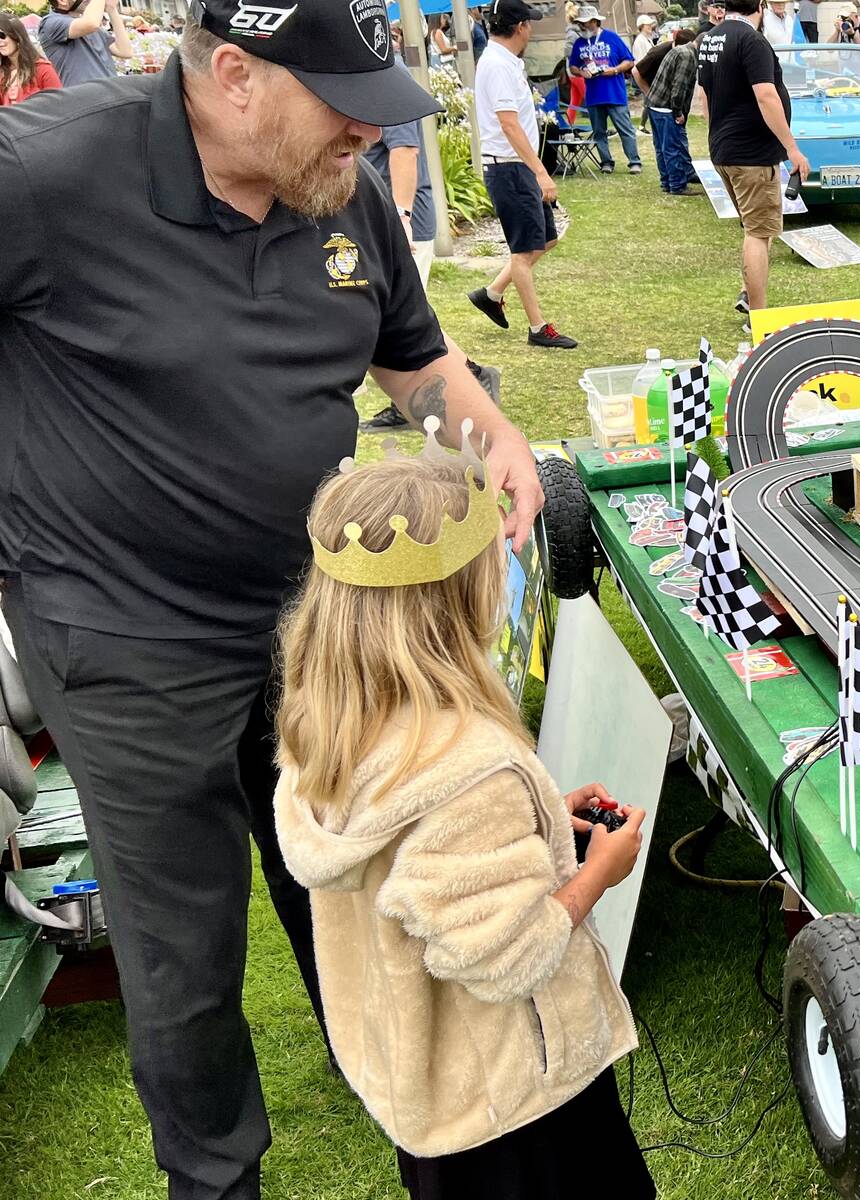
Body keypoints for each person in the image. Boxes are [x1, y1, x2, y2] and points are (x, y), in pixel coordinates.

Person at [0, 0, 545, 1192]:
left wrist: (484, 433)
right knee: (185, 961)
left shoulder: (337, 188)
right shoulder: (41, 175)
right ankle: (217, 1179)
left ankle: (426, 1118)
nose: (368, 130)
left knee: (361, 885)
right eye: (340, 104)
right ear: (235, 76)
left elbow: (411, 356)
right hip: (126, 642)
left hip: (317, 621)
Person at [275, 449, 649, 1200]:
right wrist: (598, 872)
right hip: (520, 1108)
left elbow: (423, 877)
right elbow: (510, 956)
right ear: (453, 600)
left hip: (433, 1094)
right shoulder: (466, 766)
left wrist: (540, 822)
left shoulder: (328, 725)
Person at [471, 0, 577, 349]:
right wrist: (541, 172)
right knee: (523, 251)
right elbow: (509, 124)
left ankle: (492, 292)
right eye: (529, 23)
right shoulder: (498, 65)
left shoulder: (504, 62)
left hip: (516, 168)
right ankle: (537, 328)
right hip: (510, 169)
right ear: (520, 28)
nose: (531, 29)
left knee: (545, 239)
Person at [698, 0, 811, 312]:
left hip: (725, 148)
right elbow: (766, 95)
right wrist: (792, 148)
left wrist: (716, 134)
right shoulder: (752, 40)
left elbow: (705, 94)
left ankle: (748, 292)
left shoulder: (711, 37)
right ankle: (758, 315)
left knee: (756, 226)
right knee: (759, 233)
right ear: (759, 5)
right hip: (751, 153)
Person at [361, 25, 441, 434]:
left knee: (402, 323)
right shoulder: (367, 70)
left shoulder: (388, 74)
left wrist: (402, 217)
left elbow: (404, 150)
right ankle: (470, 375)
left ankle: (410, 406)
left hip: (399, 222)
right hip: (382, 220)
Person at [569, 5, 643, 175]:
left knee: (625, 130)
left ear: (594, 22)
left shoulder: (612, 37)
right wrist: (581, 72)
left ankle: (634, 162)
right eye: (580, 23)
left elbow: (629, 61)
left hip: (614, 94)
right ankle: (606, 162)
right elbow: (572, 66)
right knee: (599, 132)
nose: (582, 26)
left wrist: (615, 70)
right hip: (594, 96)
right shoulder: (579, 43)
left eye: (584, 23)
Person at [36, 0, 131, 88]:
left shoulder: (93, 26)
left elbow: (125, 51)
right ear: (62, 1)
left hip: (111, 95)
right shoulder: (50, 22)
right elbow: (90, 24)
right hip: (85, 100)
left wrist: (112, 9)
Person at [650, 26, 699, 194]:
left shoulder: (679, 50)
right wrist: (678, 112)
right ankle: (677, 185)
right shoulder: (688, 56)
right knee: (672, 147)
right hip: (666, 108)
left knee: (661, 147)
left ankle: (666, 182)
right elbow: (679, 87)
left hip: (654, 104)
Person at [0, 13, 60, 106]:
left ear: (16, 35)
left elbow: (59, 104)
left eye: (2, 35)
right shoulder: (2, 73)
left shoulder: (42, 69)